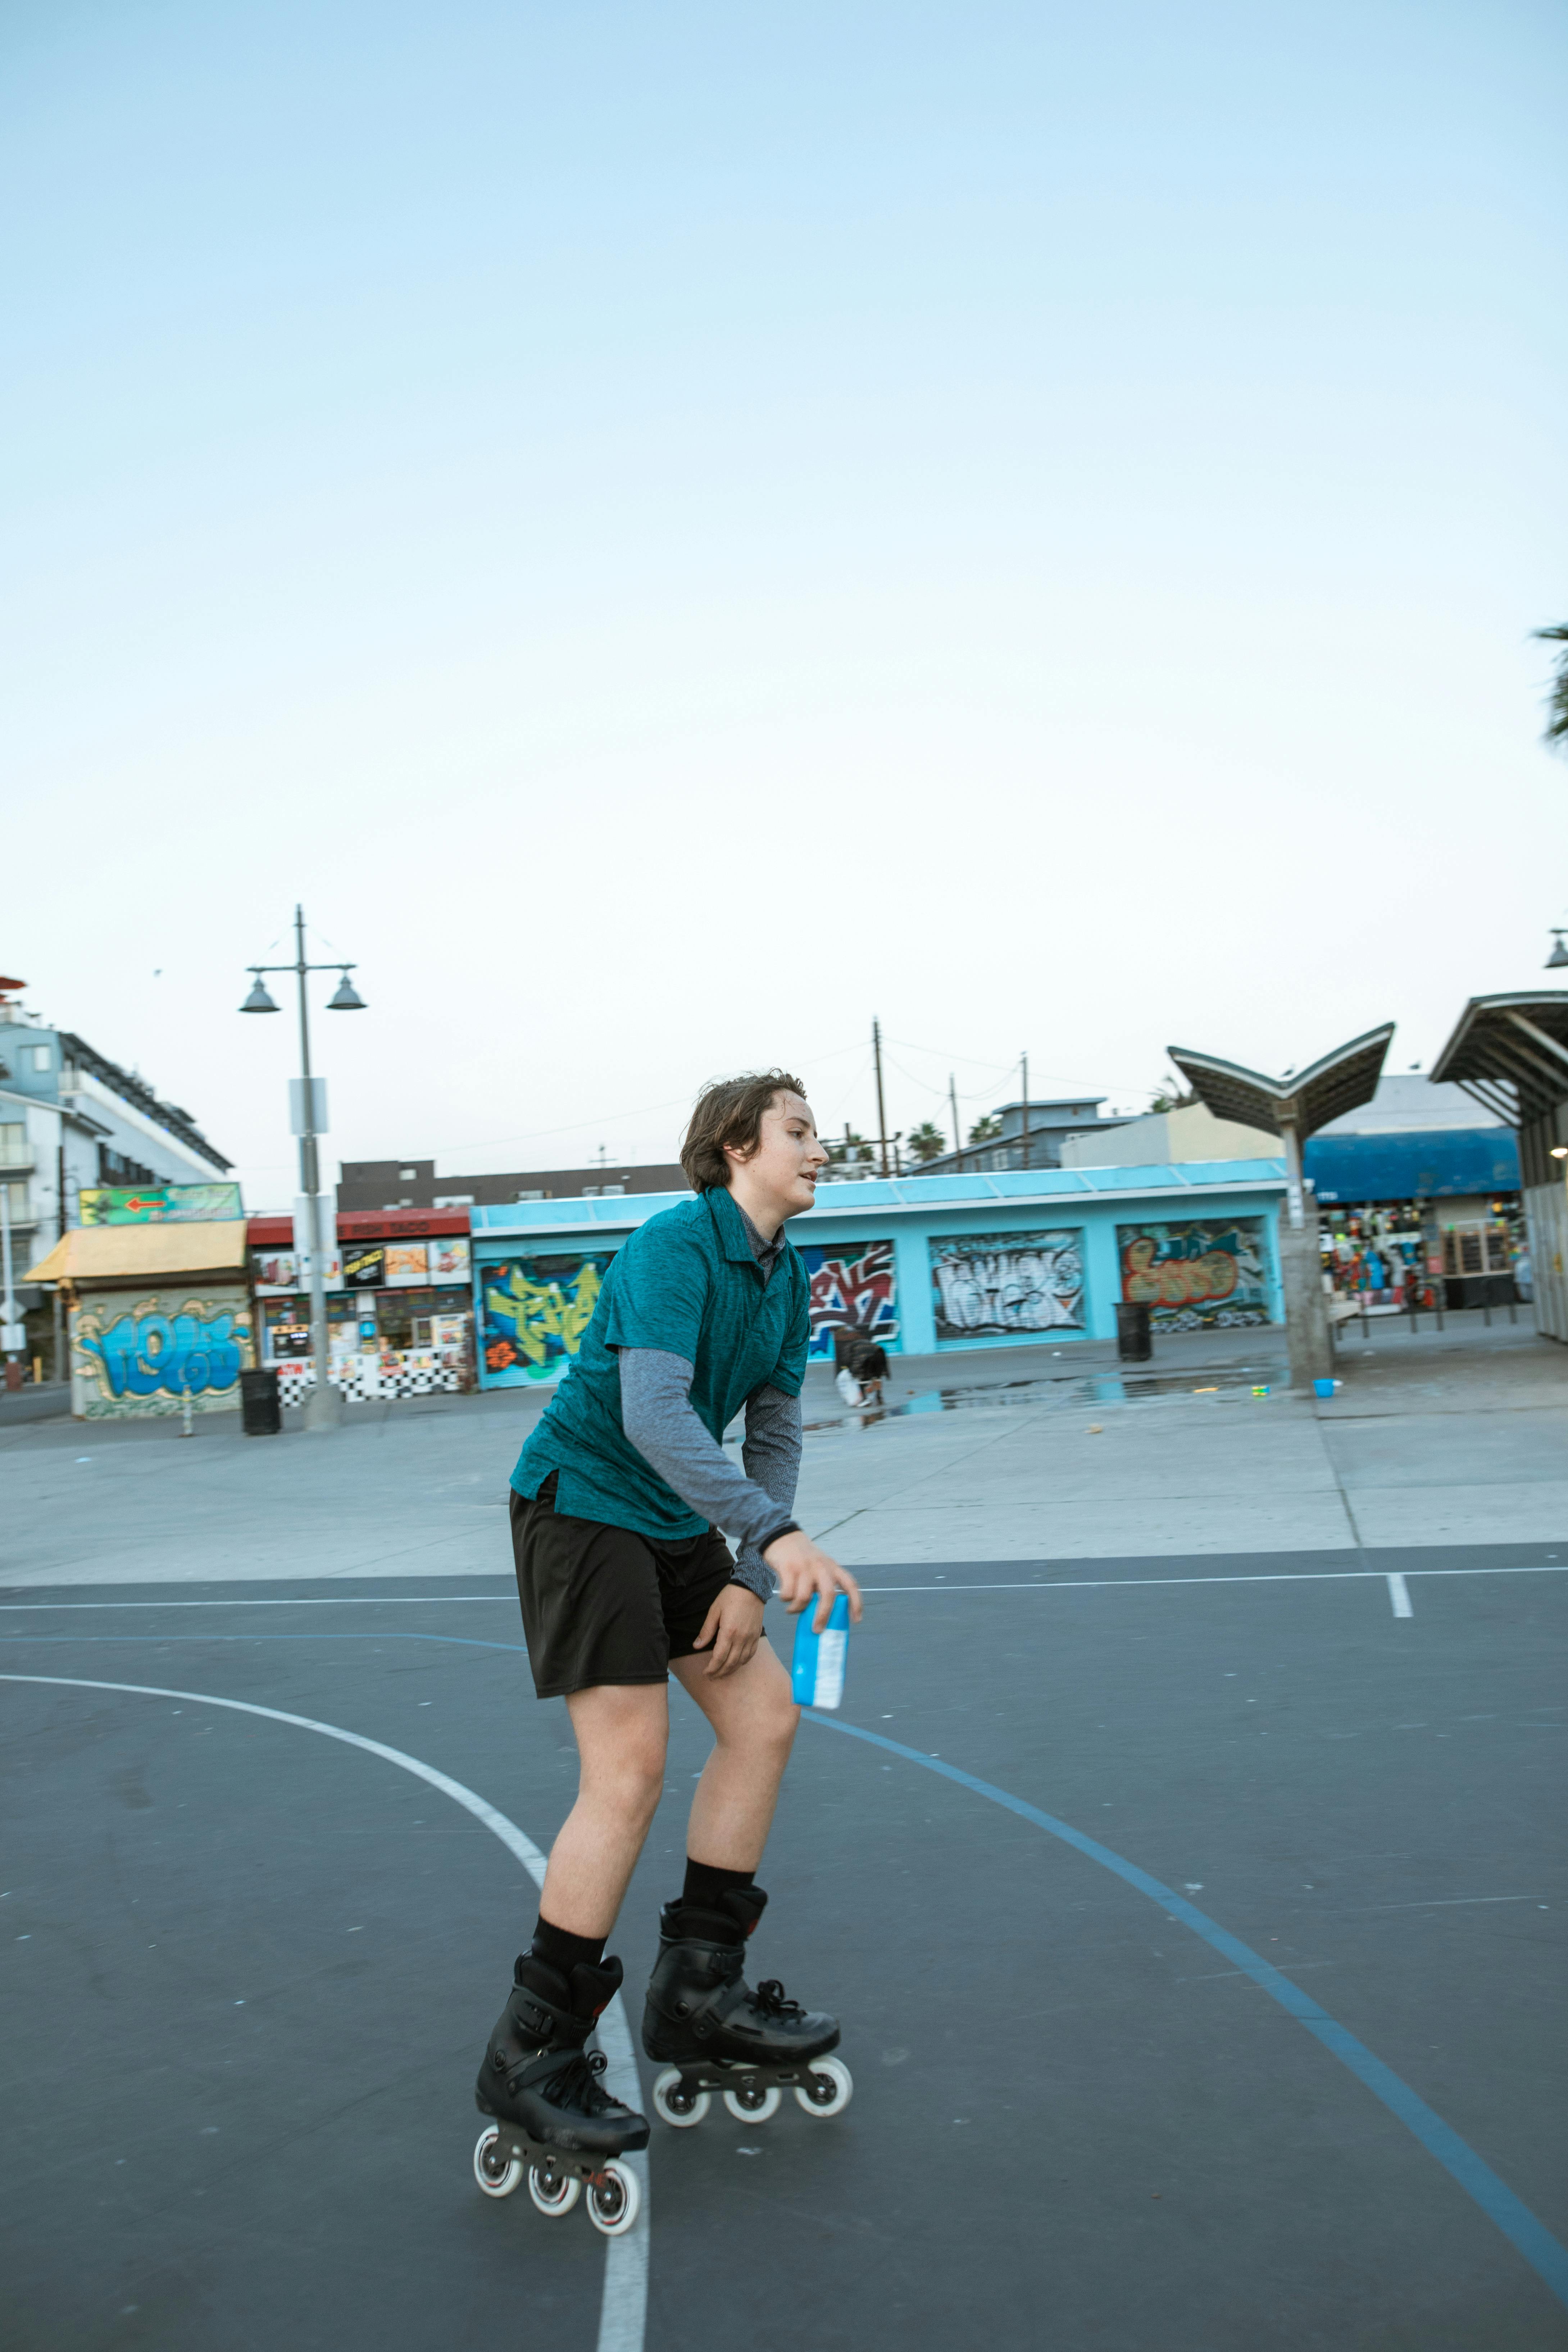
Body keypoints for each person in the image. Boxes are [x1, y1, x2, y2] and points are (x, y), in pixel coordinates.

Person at [476, 1070, 864, 2166]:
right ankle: (530, 2050)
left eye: (817, 1132)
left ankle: (699, 1992)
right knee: (630, 1768)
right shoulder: (671, 1246)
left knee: (764, 1717)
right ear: (737, 1145)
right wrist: (774, 1537)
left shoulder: (786, 1278)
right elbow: (650, 1413)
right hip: (584, 1501)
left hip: (675, 1516)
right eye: (799, 1130)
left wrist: (753, 1560)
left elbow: (774, 1430)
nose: (818, 1147)